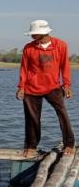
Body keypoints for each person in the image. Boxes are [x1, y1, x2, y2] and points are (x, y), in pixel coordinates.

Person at [16, 20, 75, 157]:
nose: (32, 36)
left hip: (53, 87)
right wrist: (21, 87)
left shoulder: (60, 45)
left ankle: (69, 143)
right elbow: (24, 69)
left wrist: (66, 85)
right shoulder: (28, 48)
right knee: (32, 118)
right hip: (31, 88)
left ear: (43, 33)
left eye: (34, 34)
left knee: (62, 114)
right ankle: (31, 146)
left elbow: (64, 66)